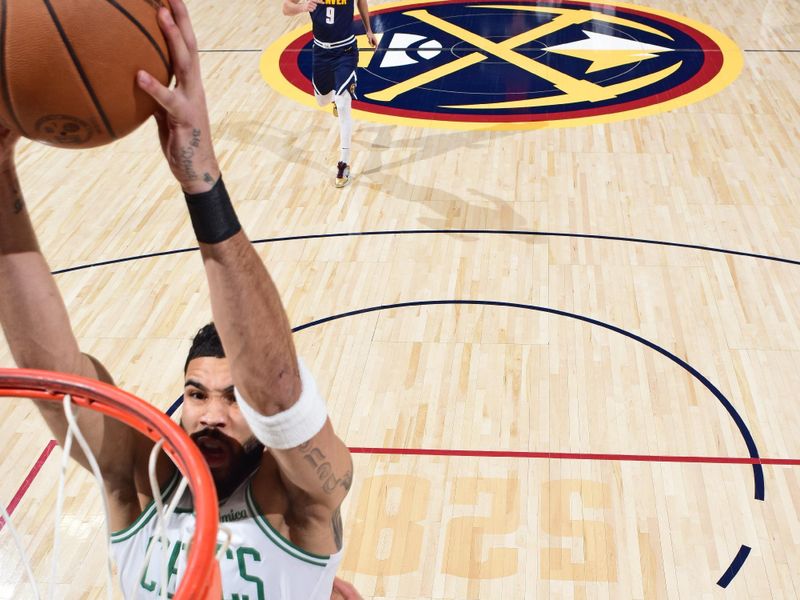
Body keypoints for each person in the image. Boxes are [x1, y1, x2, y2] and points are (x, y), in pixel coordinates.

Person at [0, 1, 360, 598]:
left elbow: (279, 393)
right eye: (195, 395)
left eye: (232, 400)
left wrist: (201, 178)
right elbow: (58, 381)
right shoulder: (138, 483)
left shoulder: (305, 503)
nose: (210, 415)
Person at [283, 0, 377, 188]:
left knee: (344, 105)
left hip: (346, 51)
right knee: (322, 100)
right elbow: (286, 8)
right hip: (320, 52)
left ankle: (344, 163)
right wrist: (302, 7)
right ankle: (335, 97)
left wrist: (368, 30)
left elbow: (361, 1)